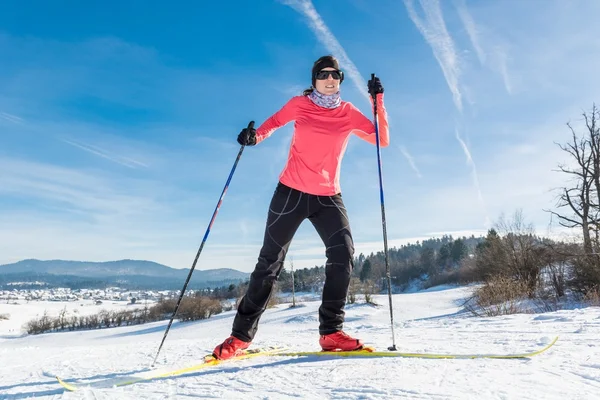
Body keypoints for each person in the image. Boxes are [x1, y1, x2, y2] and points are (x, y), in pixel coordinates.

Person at [212, 55, 389, 360]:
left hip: (328, 196)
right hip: (290, 193)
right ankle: (240, 337)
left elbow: (381, 139)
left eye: (336, 75)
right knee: (269, 263)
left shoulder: (348, 112)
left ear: (341, 80)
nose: (330, 79)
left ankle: (331, 333)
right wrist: (254, 137)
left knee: (343, 254)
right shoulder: (299, 104)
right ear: (314, 80)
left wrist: (378, 102)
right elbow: (272, 124)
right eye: (323, 74)